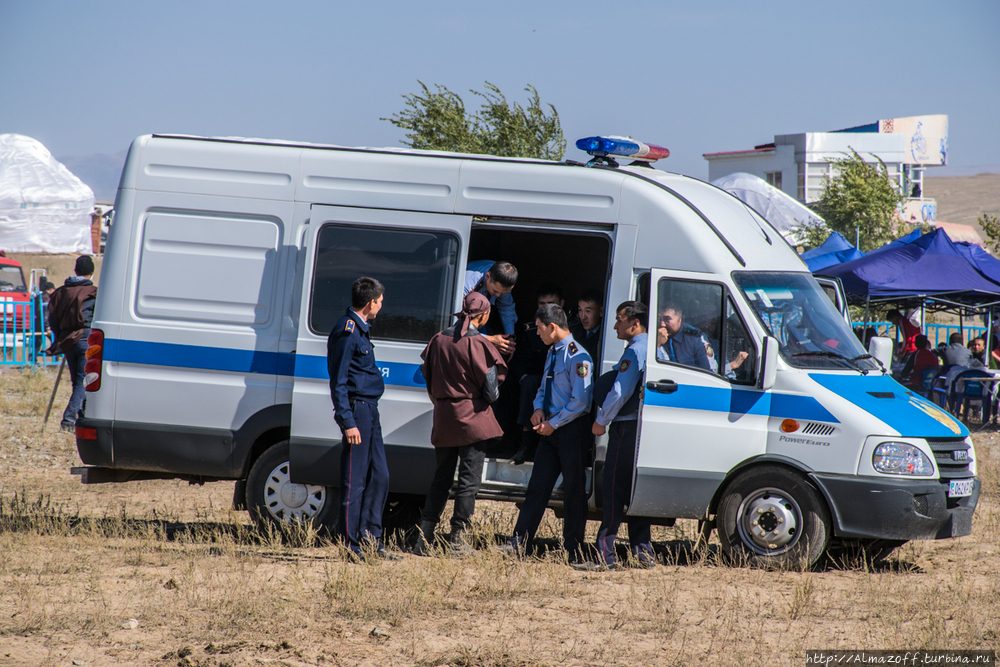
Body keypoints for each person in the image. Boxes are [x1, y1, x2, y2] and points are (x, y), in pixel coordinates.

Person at [497, 303, 593, 562]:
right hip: (549, 428)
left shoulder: (578, 356)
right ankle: (520, 541)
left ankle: (573, 550)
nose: (536, 333)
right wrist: (538, 409)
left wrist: (555, 422)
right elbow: (543, 386)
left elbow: (581, 401)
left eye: (539, 328)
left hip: (570, 430)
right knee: (537, 487)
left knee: (573, 491)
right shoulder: (553, 352)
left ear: (552, 327)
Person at [415, 292, 508, 556]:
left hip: (444, 417)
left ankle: (423, 538)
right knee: (468, 481)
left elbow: (428, 379)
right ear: (484, 315)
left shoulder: (438, 339)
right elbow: (491, 392)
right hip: (473, 420)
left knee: (440, 478)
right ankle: (457, 540)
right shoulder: (479, 344)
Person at [574, 301, 654, 571]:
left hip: (625, 428)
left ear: (635, 323)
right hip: (639, 430)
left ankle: (604, 556)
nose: (615, 325)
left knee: (613, 491)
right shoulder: (650, 348)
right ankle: (643, 554)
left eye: (620, 319)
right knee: (635, 490)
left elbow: (620, 391)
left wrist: (601, 420)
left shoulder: (634, 351)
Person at [327, 277, 398, 560]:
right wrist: (347, 421)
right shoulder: (347, 332)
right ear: (371, 303)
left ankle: (371, 539)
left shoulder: (361, 330)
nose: (382, 306)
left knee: (380, 476)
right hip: (357, 412)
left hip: (370, 411)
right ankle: (352, 546)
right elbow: (338, 381)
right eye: (380, 302)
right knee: (354, 482)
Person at [509, 283, 564, 465]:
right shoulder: (532, 330)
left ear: (561, 305)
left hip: (562, 382)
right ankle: (525, 445)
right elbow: (520, 361)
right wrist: (524, 378)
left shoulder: (571, 331)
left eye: (551, 303)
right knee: (529, 383)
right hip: (536, 381)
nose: (546, 308)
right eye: (542, 303)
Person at [47, 256, 98, 432]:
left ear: (75, 271)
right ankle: (69, 420)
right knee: (83, 382)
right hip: (87, 338)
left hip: (68, 340)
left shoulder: (60, 292)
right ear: (92, 272)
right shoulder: (93, 292)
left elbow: (52, 318)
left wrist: (60, 337)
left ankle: (82, 416)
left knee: (78, 382)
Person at [464, 260, 518, 356]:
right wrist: (489, 339)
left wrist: (510, 337)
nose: (498, 295)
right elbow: (455, 321)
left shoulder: (503, 279)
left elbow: (506, 307)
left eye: (502, 293)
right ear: (488, 276)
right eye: (495, 291)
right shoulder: (468, 282)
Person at [654, 303, 712, 371]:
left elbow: (707, 370)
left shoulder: (694, 338)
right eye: (660, 319)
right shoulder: (657, 336)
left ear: (681, 320)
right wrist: (657, 344)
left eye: (667, 320)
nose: (662, 324)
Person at [570, 289, 604, 362]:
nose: (583, 317)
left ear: (601, 311)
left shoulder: (605, 336)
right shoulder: (573, 333)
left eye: (588, 311)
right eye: (580, 310)